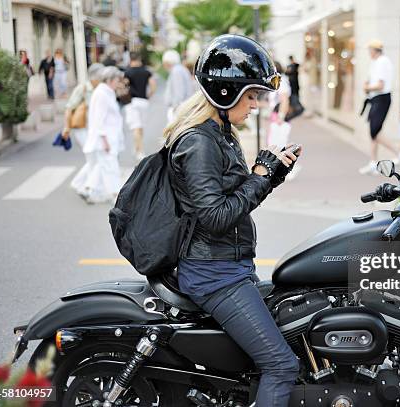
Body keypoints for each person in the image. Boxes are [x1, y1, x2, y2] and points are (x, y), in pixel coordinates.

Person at [162, 34, 300, 407]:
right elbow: (216, 216)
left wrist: (270, 175)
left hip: (229, 266)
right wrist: (257, 176)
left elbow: (235, 204)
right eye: (251, 95)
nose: (256, 104)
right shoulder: (200, 142)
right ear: (226, 92)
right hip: (213, 272)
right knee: (282, 366)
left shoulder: (219, 135)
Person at [81, 66, 125, 204]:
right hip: (106, 137)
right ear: (110, 80)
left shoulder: (106, 92)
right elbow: (98, 119)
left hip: (109, 136)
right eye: (117, 80)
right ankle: (115, 194)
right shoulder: (102, 94)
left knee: (102, 165)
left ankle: (88, 189)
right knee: (110, 166)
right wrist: (104, 140)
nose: (119, 83)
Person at [359, 40, 399, 175]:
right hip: (375, 98)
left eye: (370, 49)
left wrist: (366, 87)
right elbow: (371, 80)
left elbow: (380, 85)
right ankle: (373, 162)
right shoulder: (375, 62)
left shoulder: (383, 61)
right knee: (373, 131)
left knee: (374, 131)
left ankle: (399, 153)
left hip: (382, 98)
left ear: (375, 50)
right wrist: (367, 86)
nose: (368, 52)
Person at [63, 63, 104, 196]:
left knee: (93, 159)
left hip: (93, 129)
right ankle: (87, 187)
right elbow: (69, 108)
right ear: (94, 77)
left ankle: (79, 183)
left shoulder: (100, 89)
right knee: (94, 157)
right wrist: (66, 127)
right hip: (82, 129)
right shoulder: (83, 88)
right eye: (101, 76)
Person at [124, 52, 157, 160]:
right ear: (139, 60)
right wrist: (148, 95)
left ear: (130, 60)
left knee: (136, 128)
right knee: (140, 127)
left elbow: (124, 85)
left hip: (132, 102)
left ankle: (140, 151)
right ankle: (137, 146)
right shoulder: (146, 72)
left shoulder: (127, 72)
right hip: (144, 102)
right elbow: (153, 86)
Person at [163, 50, 196, 123]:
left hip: (178, 109)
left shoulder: (177, 71)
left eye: (164, 62)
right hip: (182, 108)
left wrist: (175, 109)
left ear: (168, 62)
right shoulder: (179, 69)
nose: (164, 65)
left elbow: (179, 93)